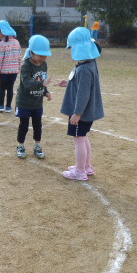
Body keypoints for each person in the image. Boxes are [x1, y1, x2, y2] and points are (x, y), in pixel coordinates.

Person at [56, 27, 105, 181]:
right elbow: (83, 85)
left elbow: (83, 94)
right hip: (86, 112)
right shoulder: (90, 63)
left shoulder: (84, 69)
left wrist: (77, 113)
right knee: (83, 138)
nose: (70, 51)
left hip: (81, 113)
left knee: (78, 140)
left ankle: (79, 171)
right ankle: (86, 166)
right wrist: (69, 82)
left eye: (72, 48)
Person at [15, 35, 52, 160]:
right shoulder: (25, 66)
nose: (42, 58)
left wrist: (45, 91)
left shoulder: (44, 65)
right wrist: (42, 84)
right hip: (24, 102)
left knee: (38, 125)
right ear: (31, 52)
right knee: (24, 125)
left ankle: (37, 146)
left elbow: (42, 80)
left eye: (45, 55)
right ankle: (20, 145)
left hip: (37, 103)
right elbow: (27, 84)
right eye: (40, 55)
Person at [0, 20, 22, 113]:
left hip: (4, 71)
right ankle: (8, 106)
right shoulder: (16, 42)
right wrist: (19, 67)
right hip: (14, 71)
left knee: (2, 88)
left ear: (1, 31)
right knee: (10, 88)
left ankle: (1, 105)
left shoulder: (1, 44)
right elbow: (19, 56)